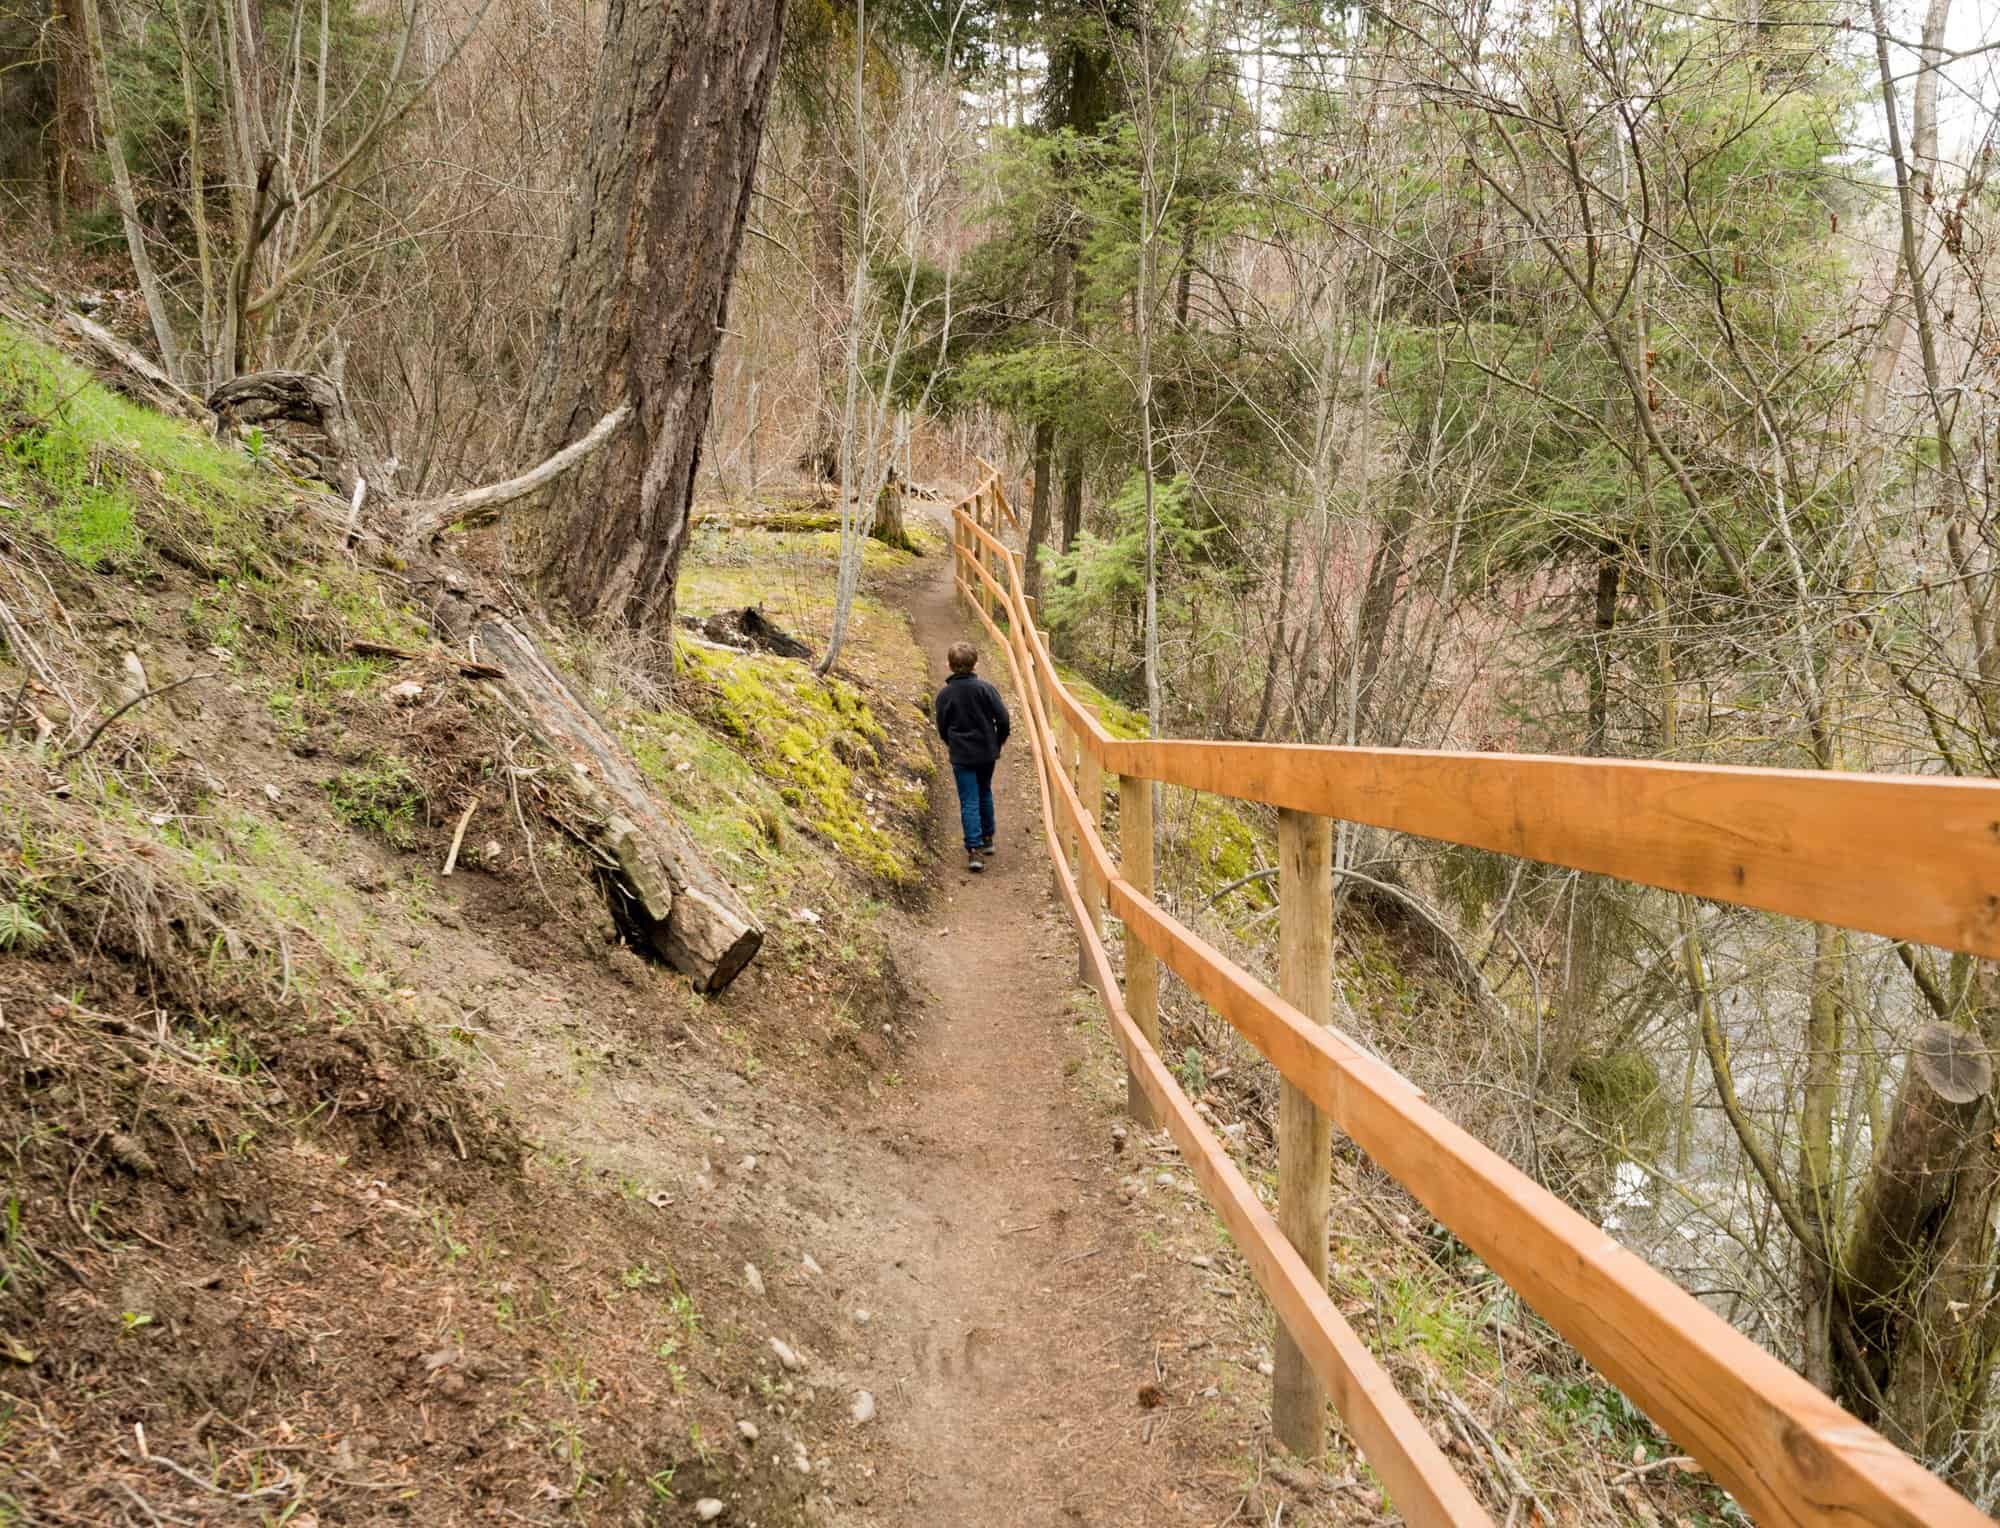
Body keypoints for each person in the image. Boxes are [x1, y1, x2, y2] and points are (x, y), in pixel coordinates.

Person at [934, 641, 1010, 873]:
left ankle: (974, 849)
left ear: (948, 665)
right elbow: (1003, 718)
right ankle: (987, 837)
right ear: (975, 664)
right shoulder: (986, 689)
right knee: (984, 790)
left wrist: (951, 743)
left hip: (961, 754)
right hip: (986, 751)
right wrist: (998, 741)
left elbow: (942, 725)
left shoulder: (944, 695)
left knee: (969, 799)